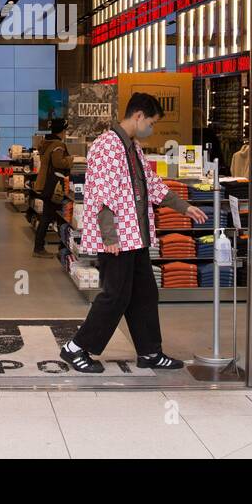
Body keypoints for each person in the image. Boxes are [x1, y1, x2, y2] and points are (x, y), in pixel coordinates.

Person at [61, 93, 208, 373]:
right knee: (115, 296)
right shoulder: (107, 146)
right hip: (119, 238)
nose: (151, 128)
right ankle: (76, 347)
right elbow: (102, 195)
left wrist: (184, 207)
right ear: (138, 116)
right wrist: (110, 237)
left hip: (136, 237)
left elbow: (152, 185)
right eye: (151, 122)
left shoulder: (133, 147)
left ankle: (150, 352)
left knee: (144, 294)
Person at [32, 118, 73, 257]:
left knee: (48, 215)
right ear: (62, 130)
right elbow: (58, 163)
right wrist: (71, 159)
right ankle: (39, 248)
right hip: (53, 186)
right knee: (48, 216)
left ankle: (55, 247)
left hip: (45, 184)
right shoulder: (58, 145)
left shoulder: (46, 142)